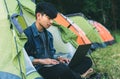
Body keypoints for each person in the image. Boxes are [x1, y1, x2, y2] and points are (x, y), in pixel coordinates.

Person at [24, 2, 93, 79]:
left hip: (53, 65)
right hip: (41, 68)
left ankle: (70, 75)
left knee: (86, 60)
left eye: (52, 19)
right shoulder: (26, 34)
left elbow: (51, 54)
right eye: (49, 18)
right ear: (39, 16)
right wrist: (41, 61)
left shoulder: (49, 35)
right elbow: (24, 59)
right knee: (61, 68)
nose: (51, 22)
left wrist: (58, 58)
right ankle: (80, 77)